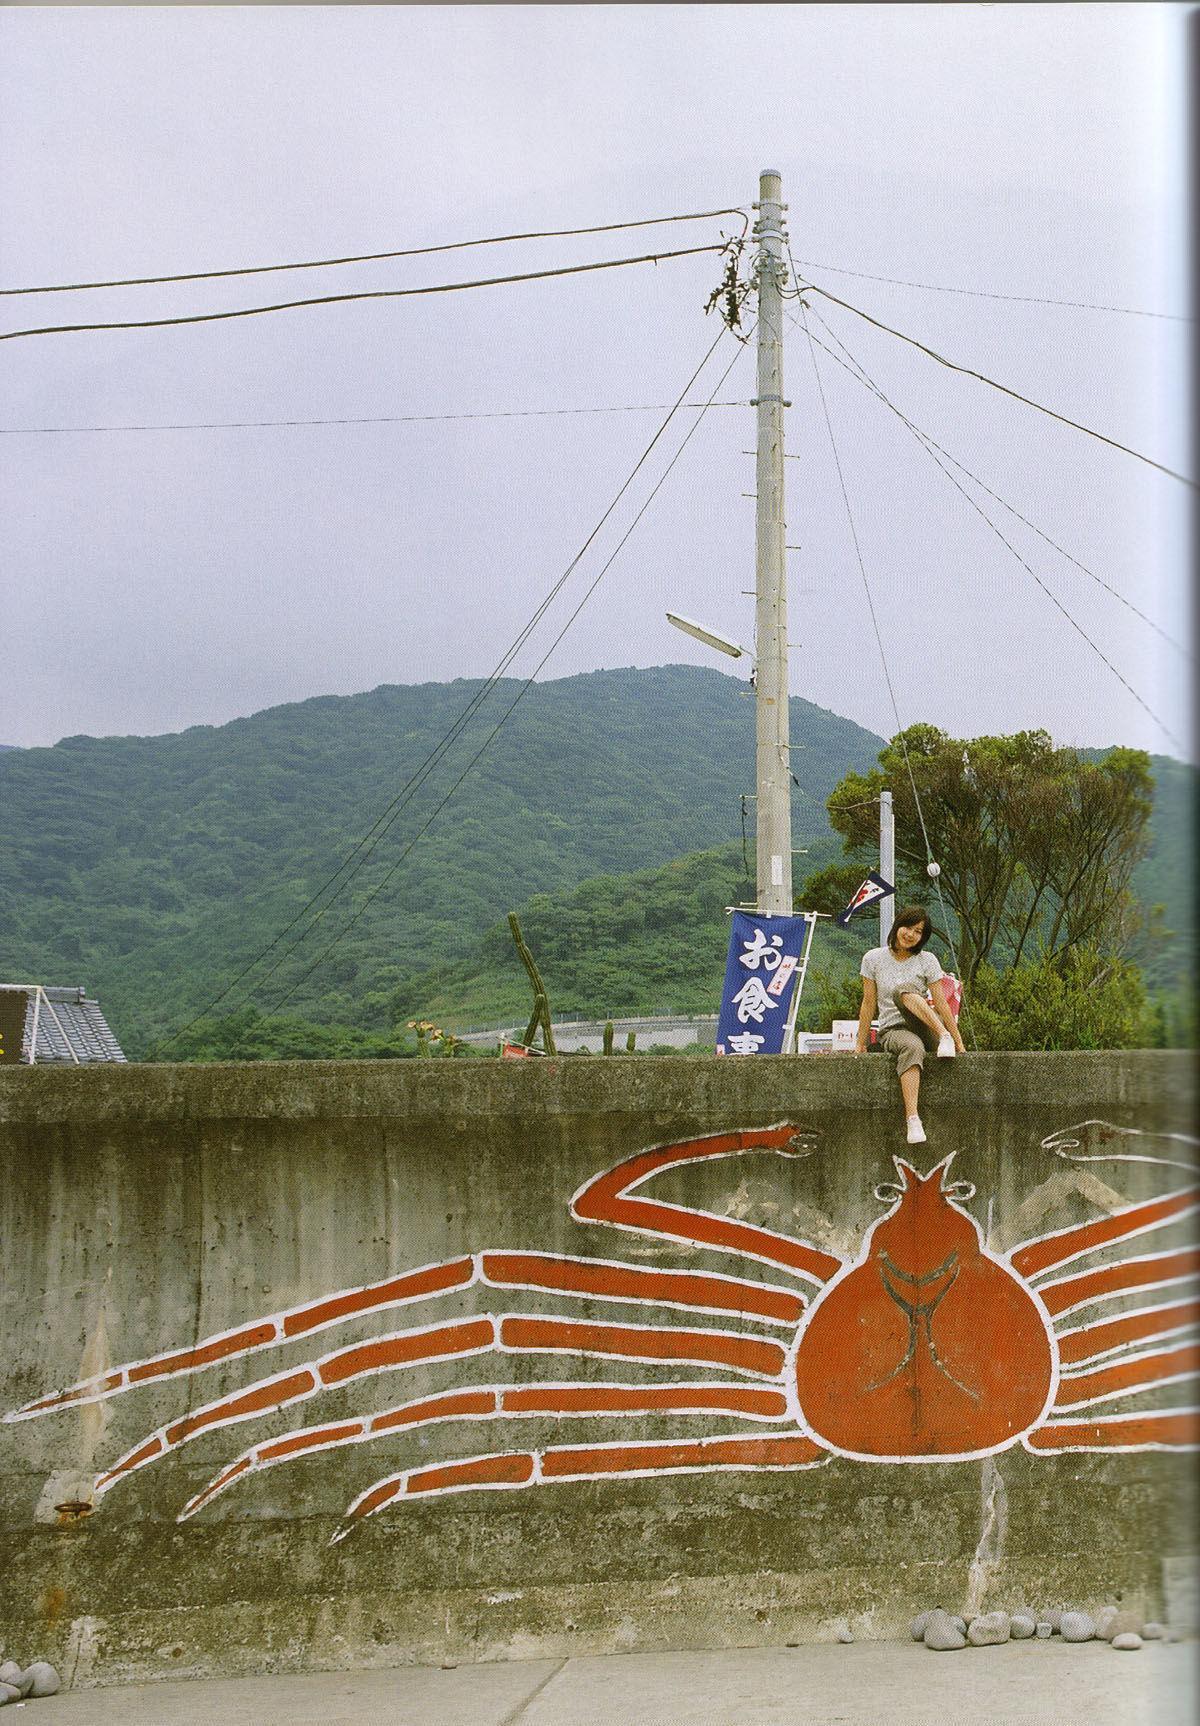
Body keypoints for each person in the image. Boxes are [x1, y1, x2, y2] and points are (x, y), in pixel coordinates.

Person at [854, 905, 965, 1146]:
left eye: (918, 931)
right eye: (908, 927)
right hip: (894, 1030)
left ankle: (944, 1036)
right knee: (912, 1044)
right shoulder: (873, 959)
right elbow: (868, 1003)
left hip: (928, 1025)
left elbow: (942, 1004)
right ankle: (913, 1120)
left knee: (905, 990)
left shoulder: (927, 960)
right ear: (898, 926)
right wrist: (860, 1043)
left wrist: (957, 1041)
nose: (911, 934)